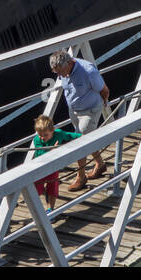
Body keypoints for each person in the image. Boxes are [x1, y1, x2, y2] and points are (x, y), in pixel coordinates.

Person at [48, 51, 109, 190]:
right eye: (56, 72)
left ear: (69, 63)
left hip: (90, 110)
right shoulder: (63, 70)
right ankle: (100, 164)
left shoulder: (88, 70)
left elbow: (104, 90)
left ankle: (81, 178)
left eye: (60, 72)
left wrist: (104, 103)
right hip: (74, 110)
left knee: (80, 142)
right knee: (87, 139)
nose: (59, 76)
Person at [30, 114, 81, 210]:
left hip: (53, 167)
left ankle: (50, 209)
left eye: (45, 135)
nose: (42, 138)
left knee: (52, 188)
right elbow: (40, 153)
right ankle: (38, 210)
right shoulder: (37, 140)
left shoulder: (59, 134)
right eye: (40, 135)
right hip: (40, 167)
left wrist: (82, 136)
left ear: (52, 131)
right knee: (36, 189)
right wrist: (52, 150)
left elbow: (69, 135)